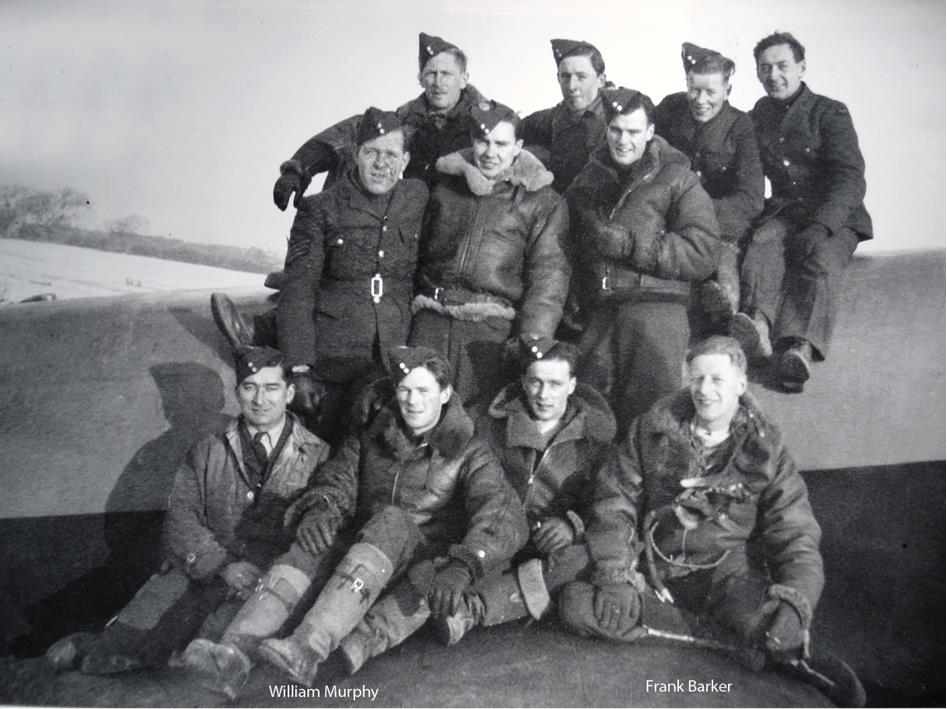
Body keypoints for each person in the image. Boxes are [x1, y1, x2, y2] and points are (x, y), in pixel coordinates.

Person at [181, 345, 527, 696]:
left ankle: (306, 648)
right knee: (314, 539)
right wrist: (323, 508)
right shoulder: (371, 435)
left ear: (446, 394)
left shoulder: (471, 452)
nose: (412, 401)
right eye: (404, 390)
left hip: (418, 565)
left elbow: (501, 514)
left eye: (424, 391)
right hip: (361, 561)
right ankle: (232, 652)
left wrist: (464, 565)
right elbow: (338, 478)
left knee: (391, 520)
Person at [557, 336, 865, 708]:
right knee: (576, 606)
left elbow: (796, 533)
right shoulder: (650, 431)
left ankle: (715, 632)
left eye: (717, 379)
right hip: (653, 567)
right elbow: (614, 501)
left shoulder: (767, 450)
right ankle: (723, 640)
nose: (704, 390)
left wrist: (795, 602)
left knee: (772, 629)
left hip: (725, 575)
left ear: (741, 384)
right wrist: (615, 575)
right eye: (697, 378)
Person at [45, 347, 330, 674]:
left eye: (271, 388)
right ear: (237, 393)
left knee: (212, 654)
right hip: (207, 566)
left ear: (289, 393)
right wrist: (222, 565)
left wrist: (267, 570)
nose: (260, 399)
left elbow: (313, 530)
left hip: (266, 578)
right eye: (250, 387)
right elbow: (181, 517)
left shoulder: (318, 454)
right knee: (122, 647)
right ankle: (102, 644)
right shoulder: (208, 447)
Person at [430, 335, 615, 644]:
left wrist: (573, 524)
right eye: (535, 382)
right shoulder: (489, 423)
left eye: (555, 384)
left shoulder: (595, 439)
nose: (544, 395)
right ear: (523, 381)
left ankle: (473, 609)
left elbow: (607, 499)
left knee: (587, 556)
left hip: (550, 546)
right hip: (496, 536)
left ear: (572, 385)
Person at [565, 86, 720, 434]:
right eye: (616, 130)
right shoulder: (587, 180)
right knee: (588, 422)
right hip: (599, 314)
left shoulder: (678, 178)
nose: (623, 141)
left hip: (656, 311)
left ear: (650, 132)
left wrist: (632, 245)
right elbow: (565, 242)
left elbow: (704, 251)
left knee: (652, 425)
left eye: (633, 131)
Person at [272, 107, 426, 444]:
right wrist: (298, 367)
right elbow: (298, 291)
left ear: (405, 160)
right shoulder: (320, 208)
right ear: (355, 154)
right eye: (371, 152)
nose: (381, 163)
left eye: (391, 155)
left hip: (390, 361)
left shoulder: (417, 199)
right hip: (333, 360)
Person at [732, 32, 873, 391]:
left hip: (836, 216)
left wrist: (821, 225)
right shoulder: (756, 117)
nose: (774, 75)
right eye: (765, 68)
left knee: (820, 260)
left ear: (801, 67)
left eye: (782, 66)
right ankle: (757, 326)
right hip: (786, 211)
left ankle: (798, 347)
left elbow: (850, 178)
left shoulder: (830, 112)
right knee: (764, 240)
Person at [409, 100, 570, 404]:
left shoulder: (542, 201)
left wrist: (530, 348)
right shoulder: (443, 188)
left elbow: (548, 281)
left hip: (489, 332)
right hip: (429, 322)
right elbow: (413, 257)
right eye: (483, 141)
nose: (490, 152)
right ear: (472, 141)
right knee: (418, 410)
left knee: (476, 417)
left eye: (501, 143)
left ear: (518, 146)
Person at [272, 32, 486, 213]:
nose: (438, 83)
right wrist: (298, 169)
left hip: (468, 224)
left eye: (446, 74)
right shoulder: (408, 120)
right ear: (420, 79)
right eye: (431, 74)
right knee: (366, 143)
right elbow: (351, 132)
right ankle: (334, 230)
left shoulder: (490, 125)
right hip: (415, 221)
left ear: (464, 78)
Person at [654, 42, 764, 329]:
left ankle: (730, 317)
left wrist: (698, 216)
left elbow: (751, 198)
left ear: (728, 90)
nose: (700, 100)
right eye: (694, 90)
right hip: (672, 224)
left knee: (724, 274)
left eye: (710, 92)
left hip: (720, 228)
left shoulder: (741, 126)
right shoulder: (669, 110)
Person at [522, 38, 609, 194]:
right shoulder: (551, 118)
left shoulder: (618, 121)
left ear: (601, 80)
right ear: (558, 78)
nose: (571, 86)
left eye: (581, 77)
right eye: (566, 76)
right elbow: (504, 129)